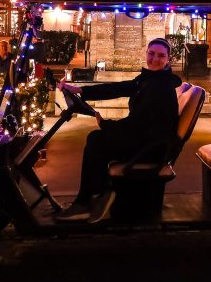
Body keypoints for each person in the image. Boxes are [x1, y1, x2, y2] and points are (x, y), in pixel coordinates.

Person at [56, 38, 181, 222]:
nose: (155, 59)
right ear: (146, 53)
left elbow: (140, 124)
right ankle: (95, 195)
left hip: (152, 146)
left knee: (97, 140)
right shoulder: (151, 78)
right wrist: (81, 91)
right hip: (147, 139)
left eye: (161, 56)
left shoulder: (160, 86)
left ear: (168, 60)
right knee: (97, 138)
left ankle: (92, 198)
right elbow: (120, 88)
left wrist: (108, 125)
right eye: (151, 54)